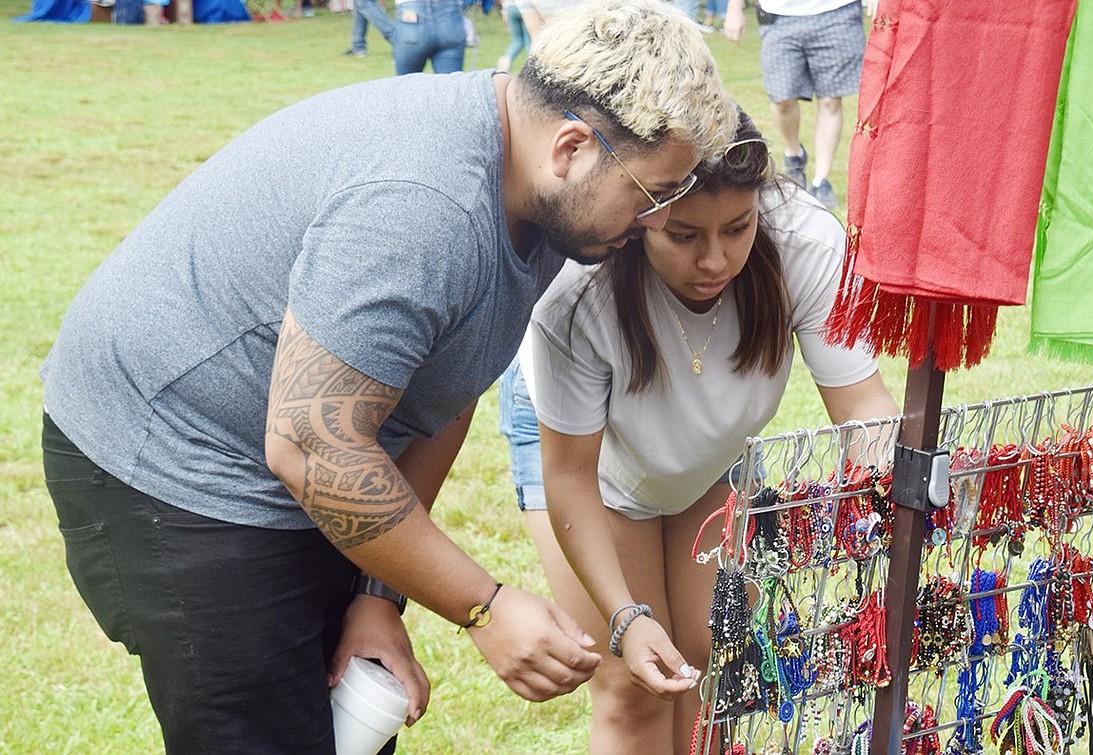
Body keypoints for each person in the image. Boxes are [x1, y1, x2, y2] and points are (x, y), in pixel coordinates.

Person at [38, 1, 737, 751]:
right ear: (571, 147)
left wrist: (378, 598)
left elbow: (445, 389)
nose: (658, 219)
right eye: (653, 193)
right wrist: (484, 606)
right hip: (171, 463)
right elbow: (313, 446)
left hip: (292, 446)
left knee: (349, 723)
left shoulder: (537, 188)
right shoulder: (426, 207)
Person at [499, 108, 899, 753]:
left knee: (704, 661)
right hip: (588, 467)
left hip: (708, 458)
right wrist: (626, 618)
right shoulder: (575, 297)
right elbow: (571, 475)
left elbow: (861, 404)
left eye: (737, 228)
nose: (714, 260)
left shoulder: (808, 243)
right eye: (682, 234)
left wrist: (894, 500)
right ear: (640, 215)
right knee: (634, 683)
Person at [722, 0, 876, 210]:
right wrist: (734, 9)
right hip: (779, 15)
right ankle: (794, 155)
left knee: (831, 101)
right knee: (782, 100)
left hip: (836, 11)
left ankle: (821, 181)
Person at [496, 0, 529, 73]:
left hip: (510, 8)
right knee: (529, 40)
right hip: (526, 8)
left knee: (517, 40)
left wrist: (504, 12)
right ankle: (531, 65)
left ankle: (505, 63)